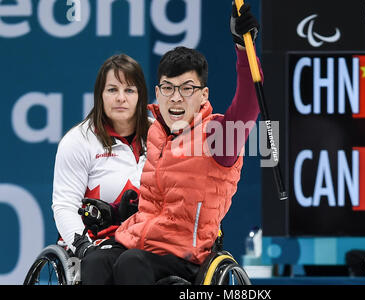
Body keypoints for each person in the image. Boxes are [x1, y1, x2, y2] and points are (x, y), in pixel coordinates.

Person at [79, 2, 262, 284]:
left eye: (187, 89)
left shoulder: (217, 136)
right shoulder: (154, 130)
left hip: (184, 254)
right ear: (158, 92)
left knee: (131, 264)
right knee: (94, 260)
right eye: (168, 88)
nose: (176, 97)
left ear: (203, 95)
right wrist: (117, 211)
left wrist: (242, 47)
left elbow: (249, 104)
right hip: (138, 239)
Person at [52, 54, 151, 255]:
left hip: (147, 244)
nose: (120, 98)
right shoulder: (78, 141)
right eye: (112, 89)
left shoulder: (159, 135)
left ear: (140, 96)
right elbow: (65, 206)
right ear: (100, 95)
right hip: (97, 245)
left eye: (129, 90)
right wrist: (83, 247)